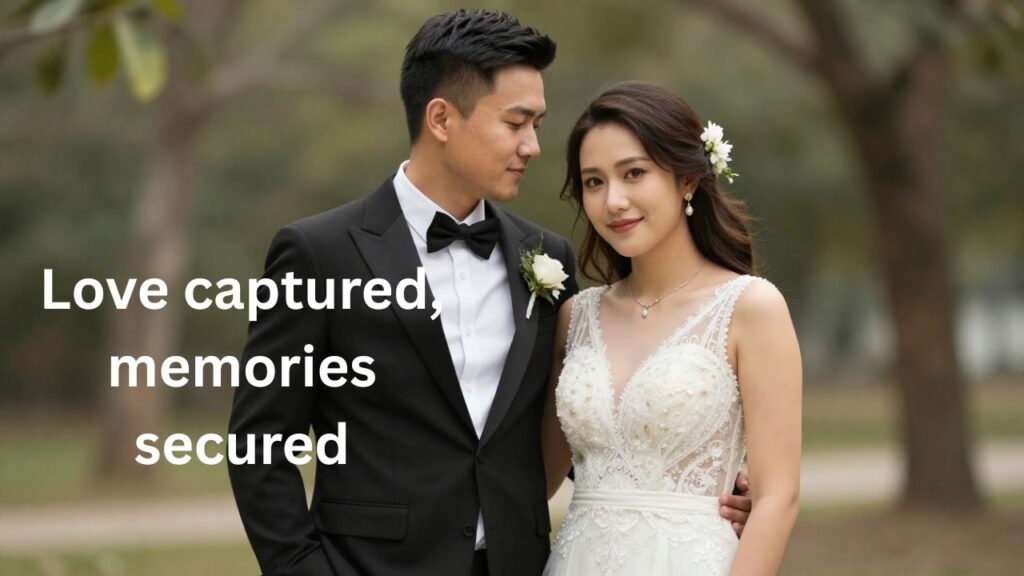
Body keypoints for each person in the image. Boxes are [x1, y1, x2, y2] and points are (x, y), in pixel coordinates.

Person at [228, 11, 751, 576]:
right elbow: (260, 443)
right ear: (442, 118)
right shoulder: (318, 252)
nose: (533, 146)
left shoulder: (546, 258)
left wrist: (692, 486)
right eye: (516, 123)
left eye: (538, 125)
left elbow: (580, 417)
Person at [541, 82, 802, 576]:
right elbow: (534, 480)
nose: (613, 201)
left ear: (687, 179)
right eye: (593, 182)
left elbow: (777, 498)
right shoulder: (575, 318)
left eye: (634, 173)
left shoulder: (751, 307)